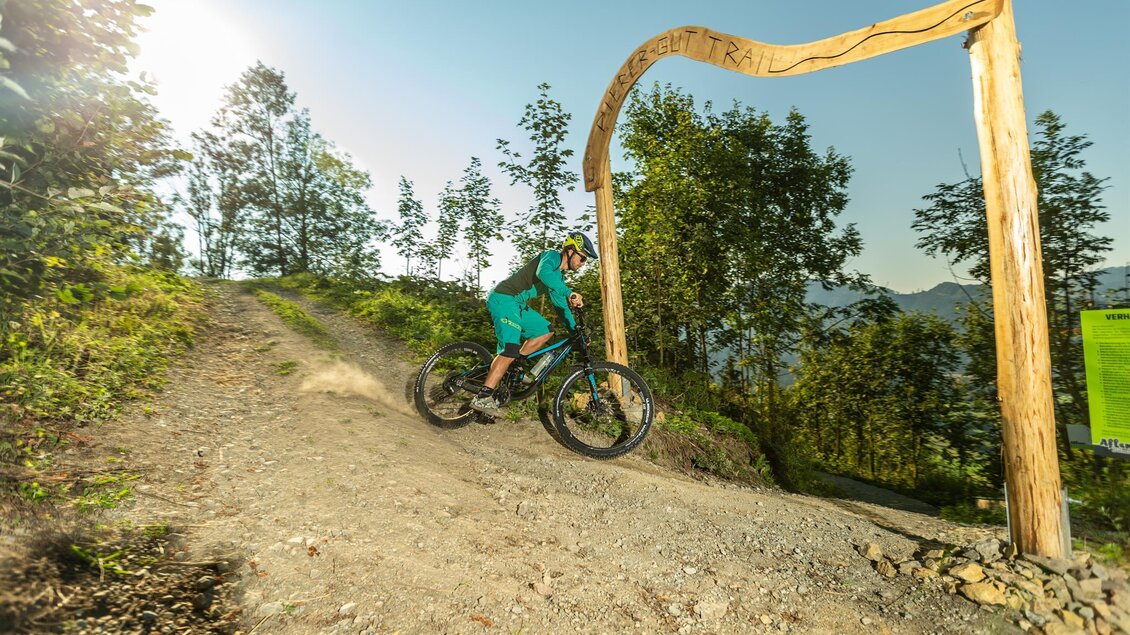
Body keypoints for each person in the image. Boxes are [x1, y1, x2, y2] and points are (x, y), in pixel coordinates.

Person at [469, 231, 599, 417]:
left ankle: (514, 365)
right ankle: (482, 397)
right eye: (582, 258)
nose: (582, 264)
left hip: (517, 305)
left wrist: (575, 332)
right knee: (509, 349)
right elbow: (543, 272)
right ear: (570, 251)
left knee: (545, 330)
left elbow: (561, 308)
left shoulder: (558, 280)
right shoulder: (551, 257)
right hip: (505, 298)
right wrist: (569, 292)